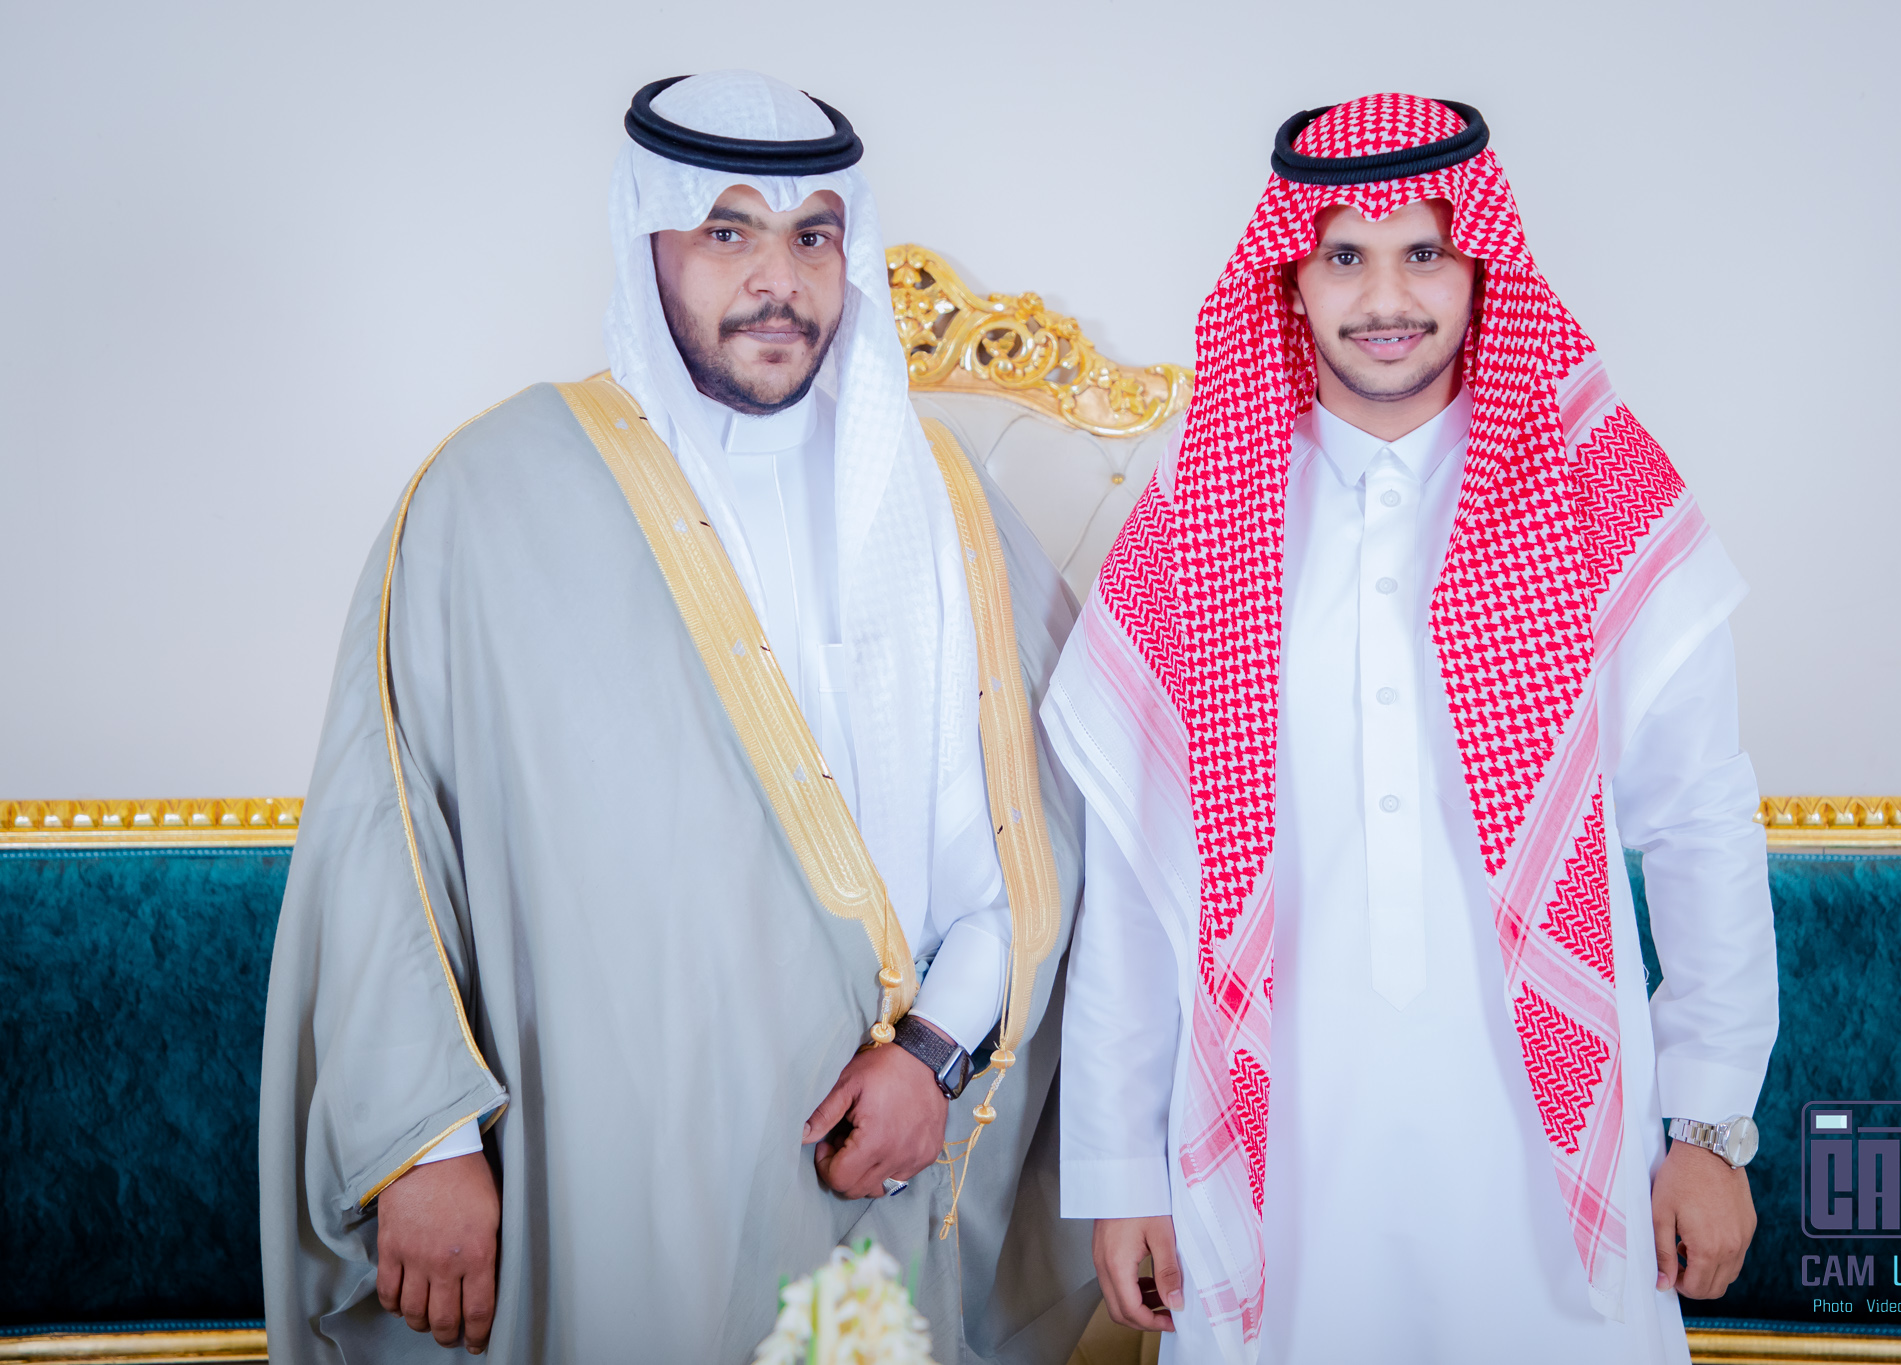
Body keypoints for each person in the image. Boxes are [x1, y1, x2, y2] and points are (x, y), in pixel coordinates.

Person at [259, 69, 1094, 1364]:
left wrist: (933, 1057)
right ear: (646, 241)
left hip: (870, 1155)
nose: (778, 278)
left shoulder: (936, 502)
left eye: (814, 235)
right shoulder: (490, 497)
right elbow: (388, 834)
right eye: (727, 231)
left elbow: (1030, 829)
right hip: (601, 1167)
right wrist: (425, 1148)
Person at [1044, 94, 1777, 1362]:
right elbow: (1133, 876)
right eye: (1344, 255)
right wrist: (1120, 1167)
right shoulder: (1195, 521)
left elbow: (1698, 818)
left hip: (1546, 1163)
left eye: (1423, 251)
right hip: (1278, 1164)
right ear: (1290, 276)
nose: (1384, 297)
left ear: (1479, 263)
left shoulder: (1595, 493)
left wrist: (1709, 1129)